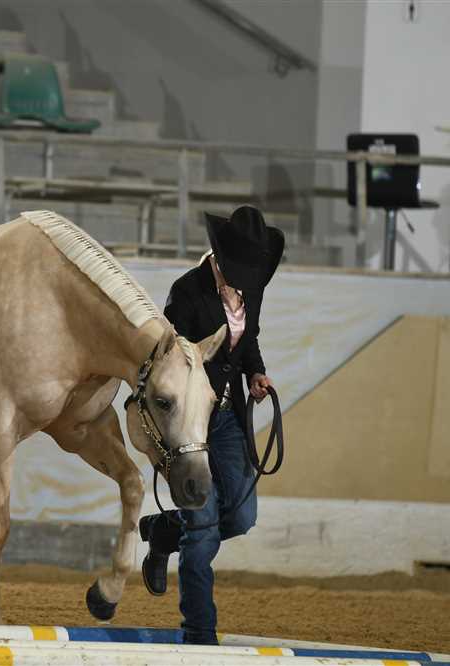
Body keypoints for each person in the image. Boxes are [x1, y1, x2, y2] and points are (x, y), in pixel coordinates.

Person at [138, 205, 284, 645]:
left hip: (229, 415)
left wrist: (255, 372)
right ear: (220, 256)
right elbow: (171, 361)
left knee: (241, 515)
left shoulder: (251, 286)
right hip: (192, 422)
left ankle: (163, 532)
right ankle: (199, 631)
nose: (246, 279)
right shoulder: (187, 292)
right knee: (201, 529)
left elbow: (248, 338)